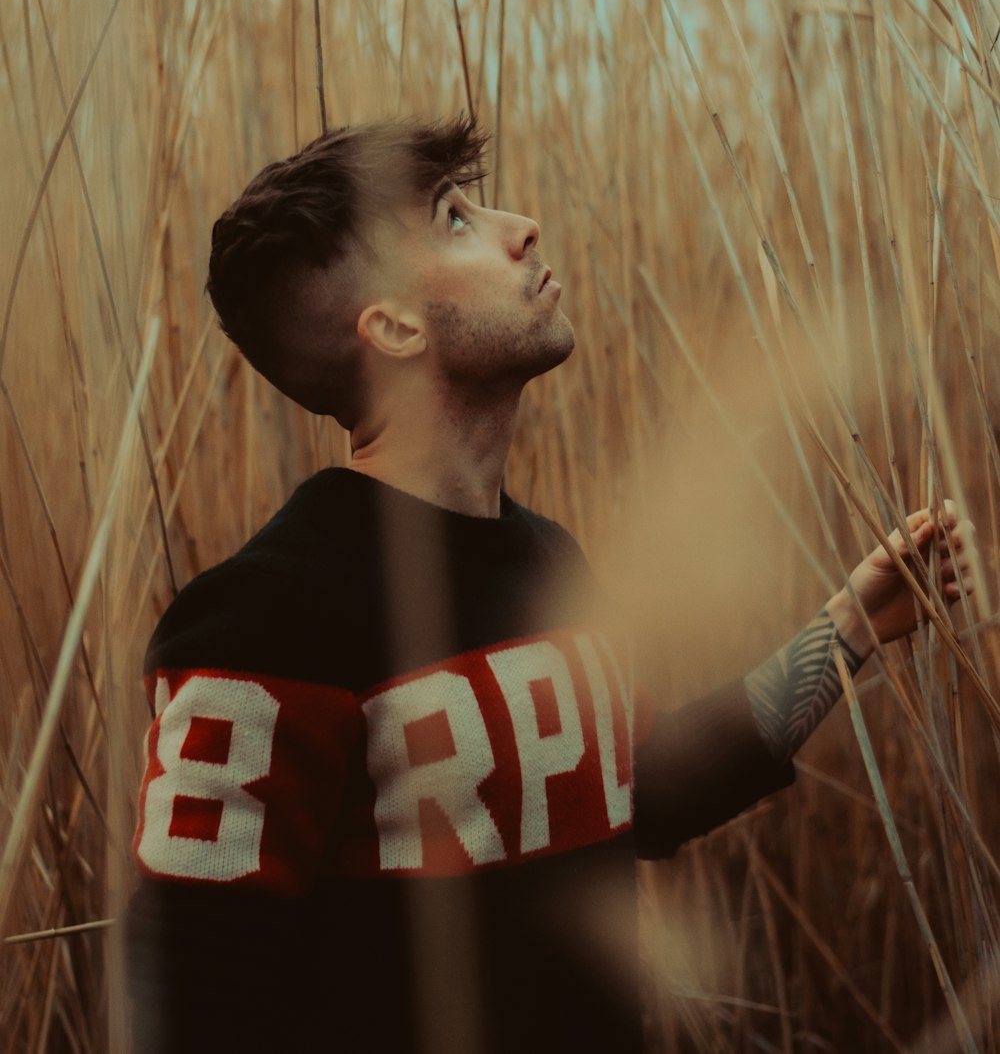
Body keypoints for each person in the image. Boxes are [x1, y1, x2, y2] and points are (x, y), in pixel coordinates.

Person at [125, 114, 973, 1053]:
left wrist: (852, 624)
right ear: (393, 327)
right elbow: (196, 999)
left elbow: (642, 789)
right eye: (454, 219)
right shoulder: (261, 625)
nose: (520, 225)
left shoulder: (544, 560)